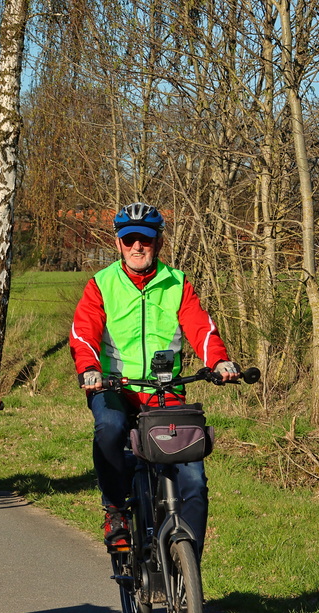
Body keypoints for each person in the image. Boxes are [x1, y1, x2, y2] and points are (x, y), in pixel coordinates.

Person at [69, 202, 239, 556]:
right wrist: (89, 368)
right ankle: (116, 509)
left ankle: (187, 568)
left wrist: (219, 361)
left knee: (193, 482)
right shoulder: (101, 284)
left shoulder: (176, 282)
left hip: (164, 391)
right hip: (113, 386)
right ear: (118, 243)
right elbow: (84, 332)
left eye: (145, 240)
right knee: (110, 428)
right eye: (129, 239)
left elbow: (201, 328)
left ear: (158, 242)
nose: (137, 246)